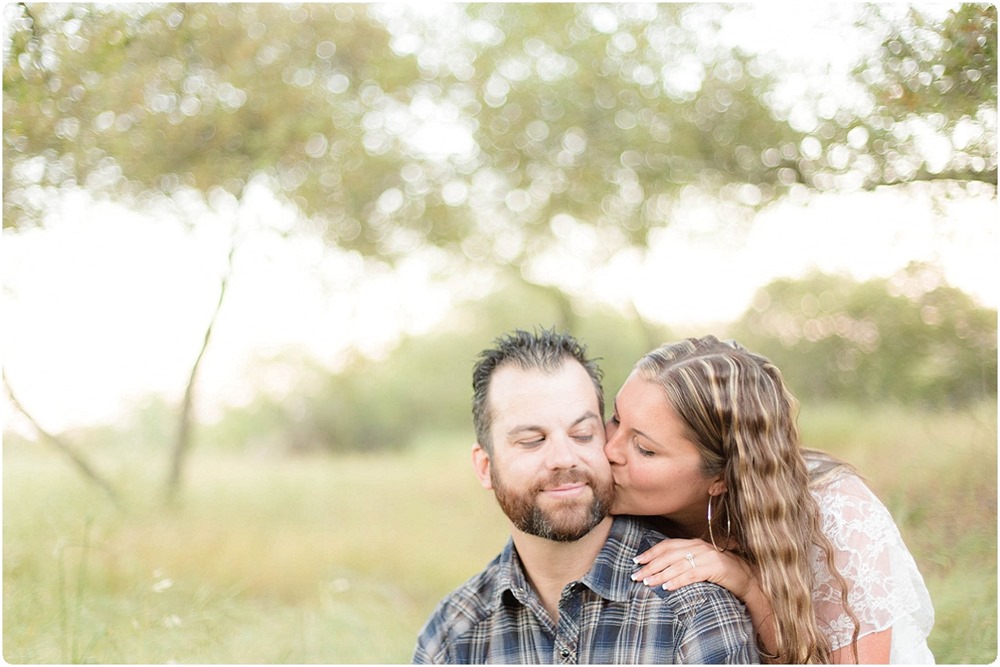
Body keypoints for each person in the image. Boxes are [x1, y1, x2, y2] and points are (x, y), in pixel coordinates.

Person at [413, 329, 759, 664]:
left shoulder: (694, 611)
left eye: (582, 434)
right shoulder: (450, 638)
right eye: (533, 440)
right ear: (485, 466)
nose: (564, 458)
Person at [605, 335, 935, 664]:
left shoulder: (836, 515)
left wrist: (749, 585)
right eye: (616, 419)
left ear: (720, 477)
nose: (608, 451)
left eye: (644, 448)